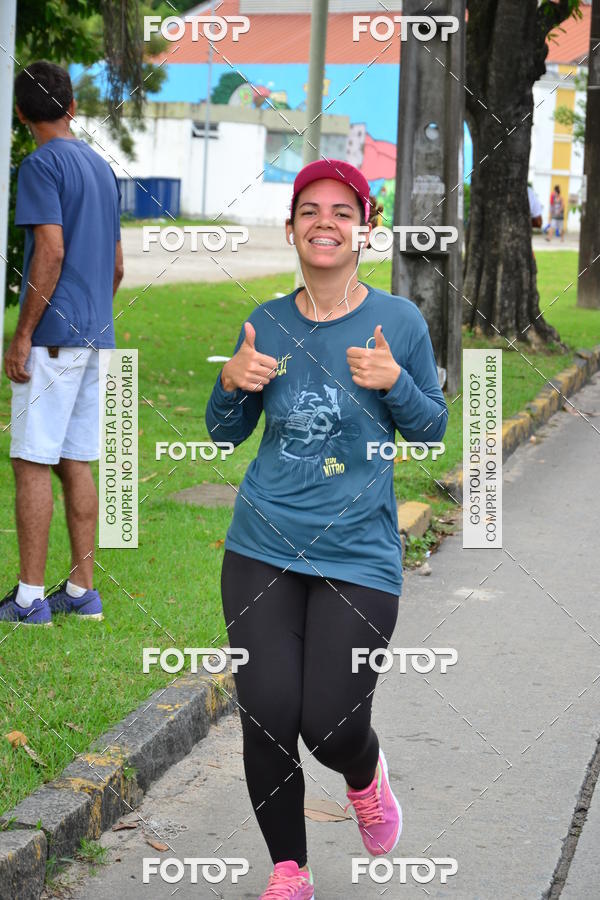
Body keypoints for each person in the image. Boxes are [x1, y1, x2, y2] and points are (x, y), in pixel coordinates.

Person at [205, 159, 448, 898]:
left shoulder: (399, 322)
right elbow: (223, 434)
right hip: (261, 546)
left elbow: (432, 430)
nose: (325, 223)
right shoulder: (267, 322)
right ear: (291, 229)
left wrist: (395, 383)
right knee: (267, 716)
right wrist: (229, 383)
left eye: (343, 212)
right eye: (310, 210)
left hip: (358, 554)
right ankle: (290, 871)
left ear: (365, 230)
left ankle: (365, 775)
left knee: (332, 727)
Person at [0, 61, 123, 625]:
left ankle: (29, 600)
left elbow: (49, 251)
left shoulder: (40, 165)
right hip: (97, 337)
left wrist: (24, 333)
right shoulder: (101, 168)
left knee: (30, 460)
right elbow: (116, 267)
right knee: (77, 459)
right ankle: (81, 591)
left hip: (53, 340)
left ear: (20, 113)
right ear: (72, 107)